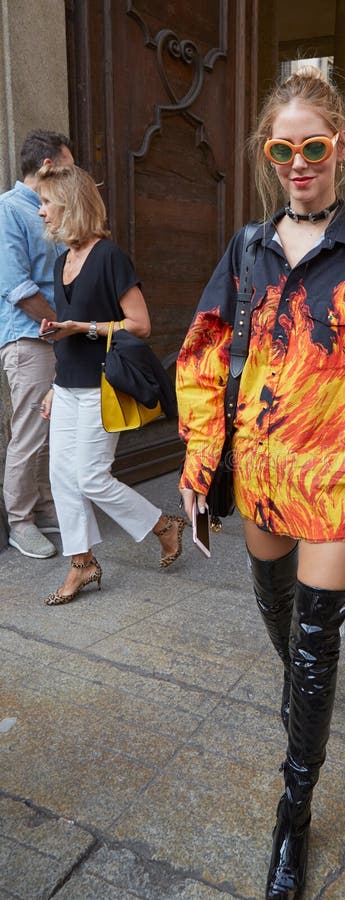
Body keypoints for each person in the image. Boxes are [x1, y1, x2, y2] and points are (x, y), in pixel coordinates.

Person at [176, 66, 345, 899]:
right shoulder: (247, 247)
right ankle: (299, 696)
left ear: (341, 150)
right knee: (276, 611)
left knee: (317, 646)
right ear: (268, 154)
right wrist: (199, 459)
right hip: (260, 462)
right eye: (282, 148)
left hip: (339, 469)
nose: (298, 162)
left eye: (313, 147)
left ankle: (295, 813)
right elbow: (207, 356)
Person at [36, 164, 185, 605]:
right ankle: (82, 564)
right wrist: (52, 384)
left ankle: (164, 525)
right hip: (67, 387)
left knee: (92, 478)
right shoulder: (62, 260)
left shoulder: (109, 257)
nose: (42, 212)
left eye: (47, 202)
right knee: (63, 478)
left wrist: (85, 326)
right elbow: (66, 337)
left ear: (70, 203)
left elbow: (140, 325)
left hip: (102, 388)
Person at [0, 130, 74, 559]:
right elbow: (15, 284)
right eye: (67, 166)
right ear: (47, 165)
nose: (72, 175)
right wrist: (60, 323)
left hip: (50, 334)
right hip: (29, 336)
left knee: (47, 431)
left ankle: (44, 508)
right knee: (28, 434)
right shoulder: (10, 210)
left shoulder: (48, 212)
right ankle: (19, 522)